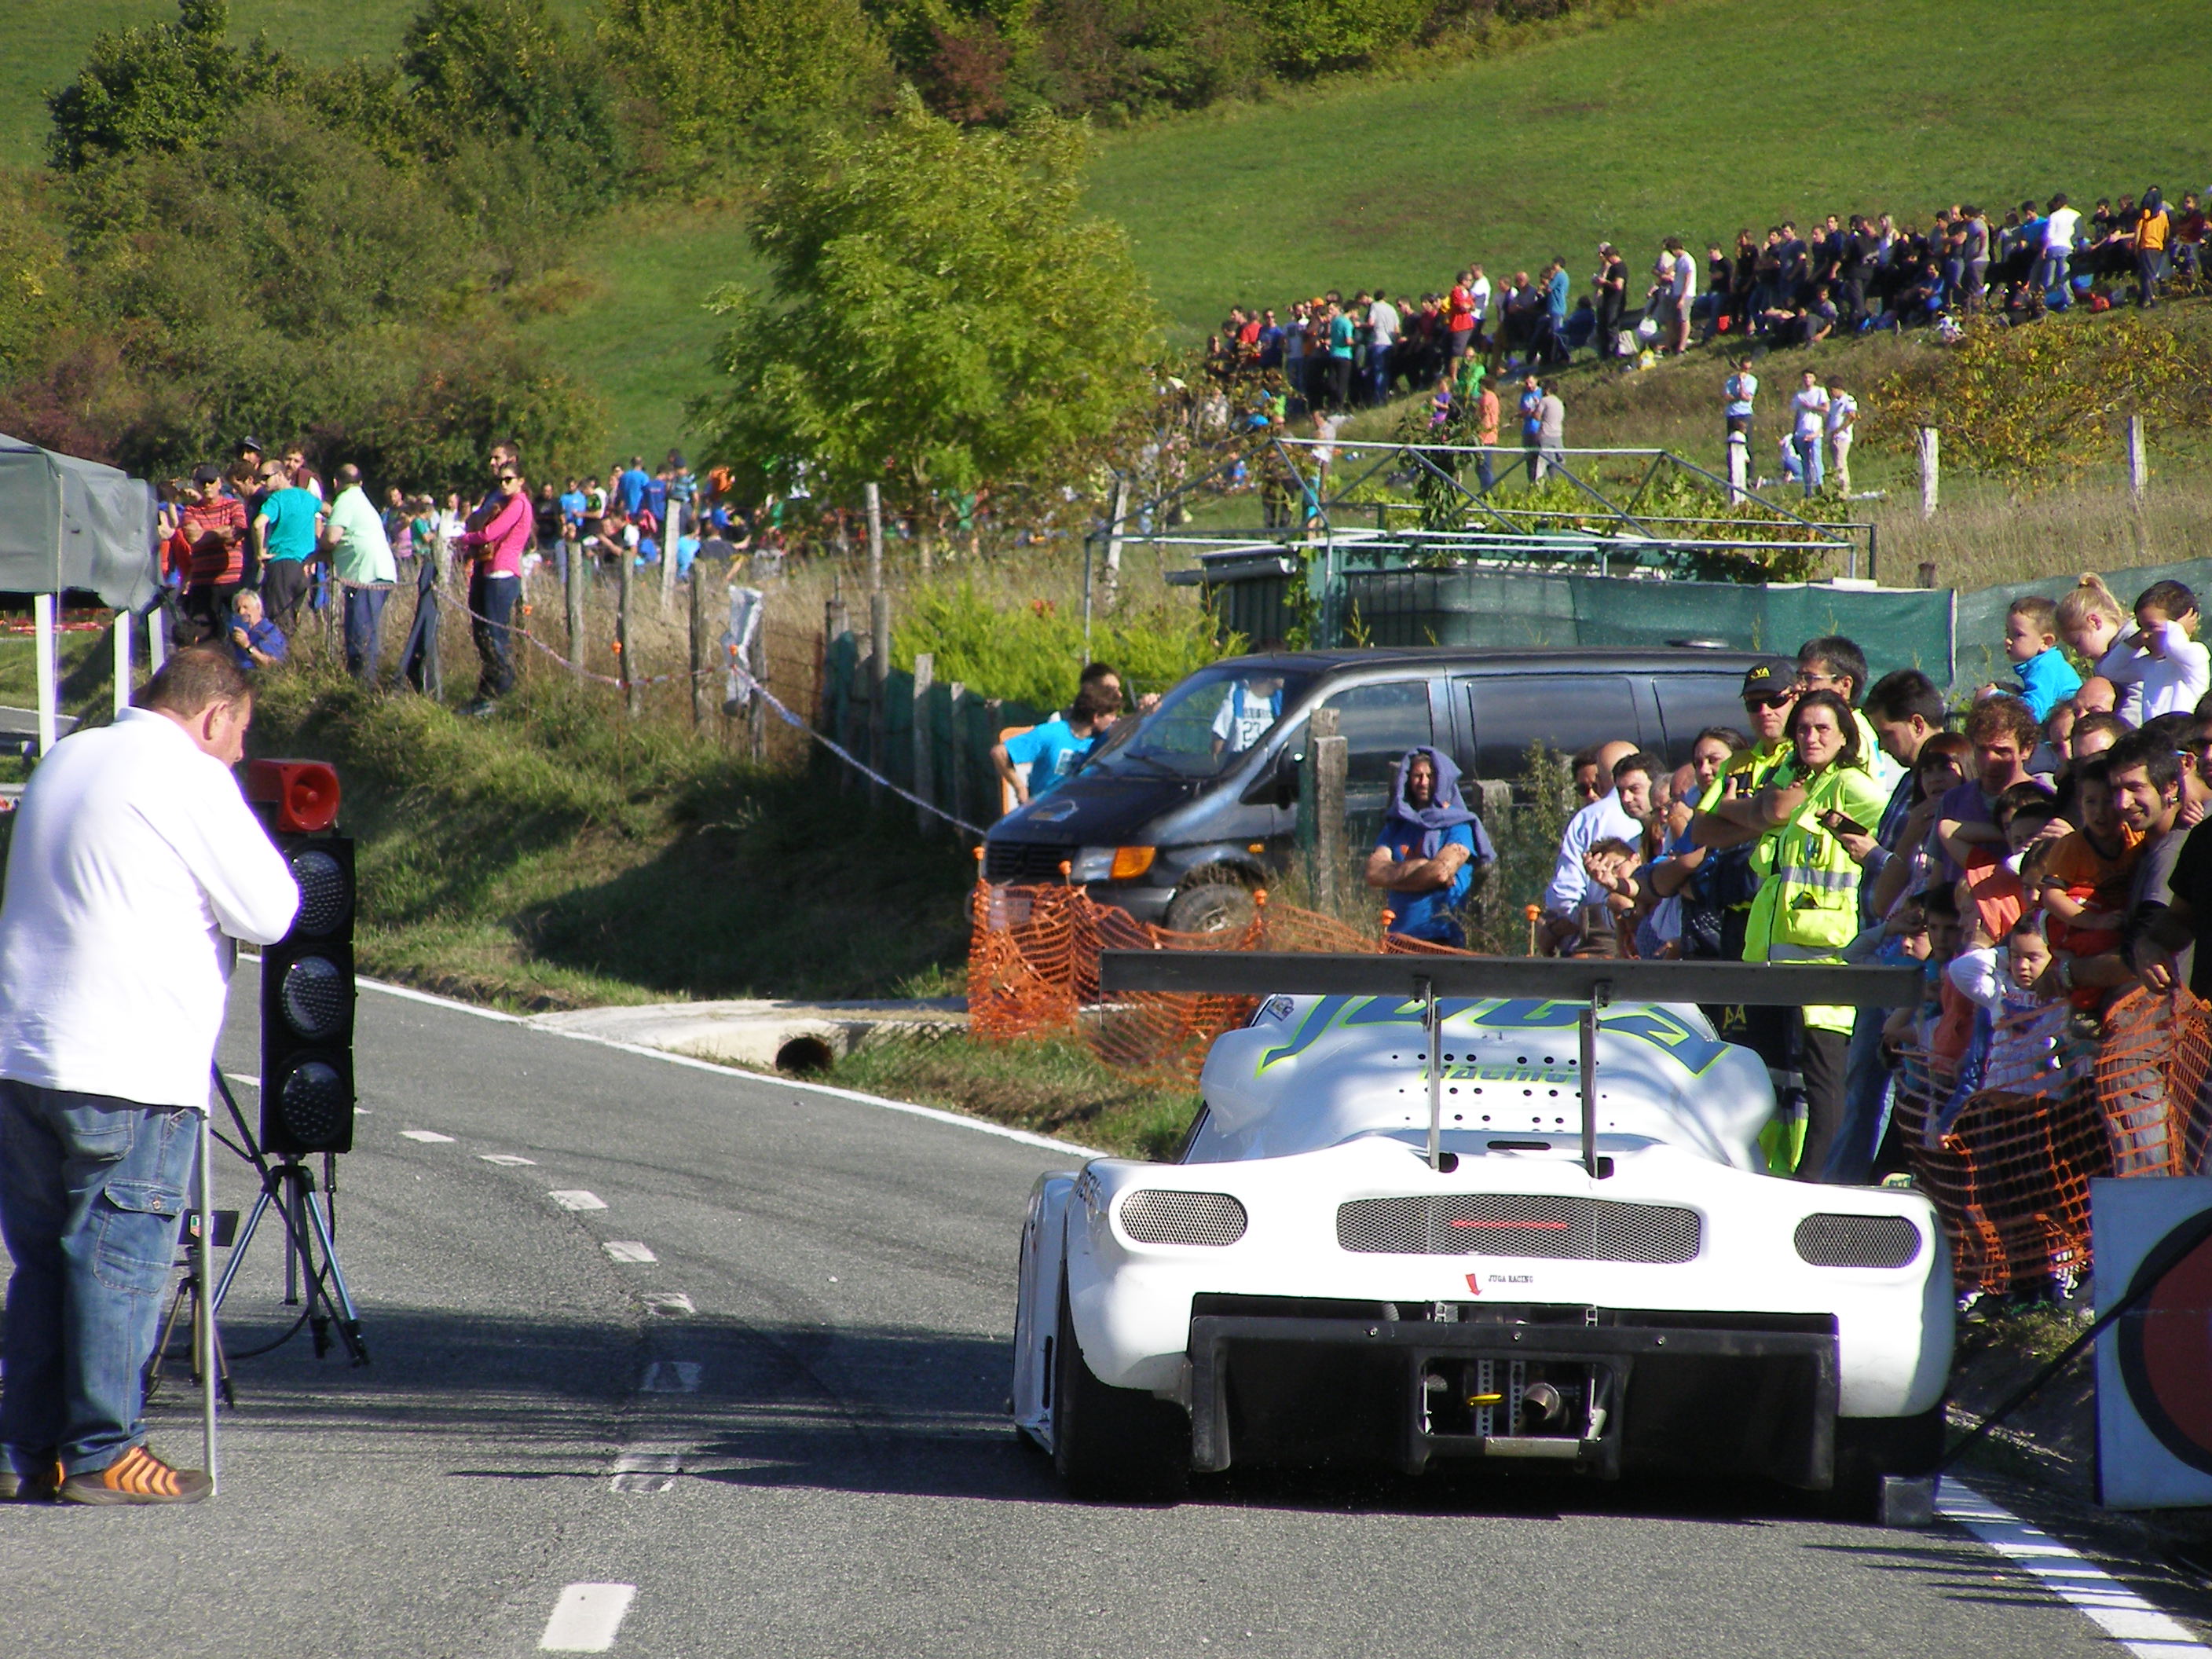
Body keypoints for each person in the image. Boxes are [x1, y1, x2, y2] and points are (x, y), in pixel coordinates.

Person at [0, 649, 299, 1506]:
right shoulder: (186, 773)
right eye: (240, 732)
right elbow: (272, 910)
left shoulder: (71, 755)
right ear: (214, 715)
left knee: (44, 1263)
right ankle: (104, 1449)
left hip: (24, 1051)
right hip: (127, 1063)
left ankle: (23, 1445)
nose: (240, 753)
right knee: (117, 1259)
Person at [1740, 689, 1891, 1177]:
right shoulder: (1810, 785)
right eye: (1803, 729)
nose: (1810, 737)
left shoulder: (1849, 784)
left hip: (1828, 960)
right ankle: (1781, 1172)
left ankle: (1821, 1182)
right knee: (1782, 1081)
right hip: (1779, 960)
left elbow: (1894, 834)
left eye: (1823, 728)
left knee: (1825, 1082)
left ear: (1845, 736)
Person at [1366, 747, 1496, 947]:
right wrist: (1424, 867)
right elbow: (1373, 873)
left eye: (1430, 776)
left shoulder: (1459, 826)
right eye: (1417, 776)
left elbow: (1440, 872)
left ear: (1442, 780)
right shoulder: (1397, 826)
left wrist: (1394, 877)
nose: (1423, 782)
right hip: (1397, 939)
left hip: (1441, 939)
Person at [1541, 745, 1650, 953]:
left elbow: (1563, 898)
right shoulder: (1666, 820)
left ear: (1600, 778)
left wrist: (1560, 929)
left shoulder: (1589, 818)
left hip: (1600, 946)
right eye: (1583, 789)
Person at [454, 460, 532, 716]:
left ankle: (501, 694)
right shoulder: (504, 502)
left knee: (497, 637)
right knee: (488, 636)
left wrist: (464, 539)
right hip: (492, 571)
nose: (504, 484)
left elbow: (490, 533)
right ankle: (488, 692)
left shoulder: (518, 503)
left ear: (520, 481)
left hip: (502, 573)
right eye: (500, 480)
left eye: (509, 479)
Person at [323, 463, 398, 684]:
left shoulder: (346, 500)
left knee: (361, 635)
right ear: (360, 482)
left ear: (336, 482)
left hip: (366, 576)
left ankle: (364, 686)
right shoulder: (362, 500)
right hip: (375, 572)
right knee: (363, 631)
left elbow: (332, 537)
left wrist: (319, 547)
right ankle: (362, 682)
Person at [991, 686, 1118, 807]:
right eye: (1112, 715)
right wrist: (1019, 787)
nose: (1115, 720)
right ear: (1096, 717)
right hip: (1044, 810)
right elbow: (1000, 752)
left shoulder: (1101, 740)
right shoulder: (1051, 733)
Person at [252, 460, 324, 634]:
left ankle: (279, 651)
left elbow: (258, 524)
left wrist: (260, 552)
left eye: (265, 478)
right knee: (294, 617)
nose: (262, 483)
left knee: (279, 620)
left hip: (282, 563)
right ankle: (292, 649)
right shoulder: (307, 497)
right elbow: (328, 510)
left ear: (280, 475)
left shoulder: (276, 499)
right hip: (305, 567)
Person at [1784, 370, 1830, 496]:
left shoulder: (1820, 391)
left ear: (1814, 379)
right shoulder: (1799, 395)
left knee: (1816, 459)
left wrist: (1811, 407)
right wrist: (1794, 432)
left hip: (1814, 431)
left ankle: (1820, 485)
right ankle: (1808, 490)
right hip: (1801, 432)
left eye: (1810, 377)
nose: (1807, 380)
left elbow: (1826, 408)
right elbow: (1797, 414)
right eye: (1805, 377)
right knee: (1805, 462)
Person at [225, 588, 285, 672]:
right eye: (238, 609)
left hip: (258, 677)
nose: (241, 612)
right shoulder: (235, 631)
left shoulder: (270, 632)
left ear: (258, 608)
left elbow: (271, 664)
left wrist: (247, 646)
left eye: (245, 607)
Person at [1722, 356, 1757, 488]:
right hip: (1732, 414)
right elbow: (1727, 397)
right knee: (1732, 445)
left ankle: (1749, 476)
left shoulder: (1752, 380)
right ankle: (1732, 476)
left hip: (1745, 414)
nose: (1746, 371)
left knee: (1747, 445)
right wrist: (1737, 397)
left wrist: (1741, 382)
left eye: (1748, 369)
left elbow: (1746, 397)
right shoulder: (1730, 380)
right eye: (1744, 368)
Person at [1825, 380, 1858, 495]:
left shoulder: (1848, 400)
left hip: (1842, 437)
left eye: (1832, 390)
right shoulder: (1833, 403)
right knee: (1836, 463)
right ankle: (1838, 488)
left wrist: (1839, 430)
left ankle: (1844, 490)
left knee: (1840, 462)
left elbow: (1851, 417)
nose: (1831, 393)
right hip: (1832, 436)